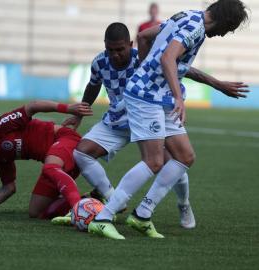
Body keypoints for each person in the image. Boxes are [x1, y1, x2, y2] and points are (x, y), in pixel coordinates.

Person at [88, 0, 250, 240]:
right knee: (153, 161)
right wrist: (177, 96)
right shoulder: (196, 27)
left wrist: (145, 71)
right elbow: (168, 58)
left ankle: (142, 215)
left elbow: (144, 36)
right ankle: (103, 218)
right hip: (148, 98)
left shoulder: (186, 15)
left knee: (185, 157)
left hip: (158, 96)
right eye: (228, 29)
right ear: (224, 21)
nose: (225, 34)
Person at [0, 100, 93, 219]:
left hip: (65, 140)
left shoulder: (0, 127)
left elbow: (32, 106)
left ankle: (78, 212)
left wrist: (67, 108)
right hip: (56, 165)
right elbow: (9, 187)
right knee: (35, 212)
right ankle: (92, 201)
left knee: (50, 167)